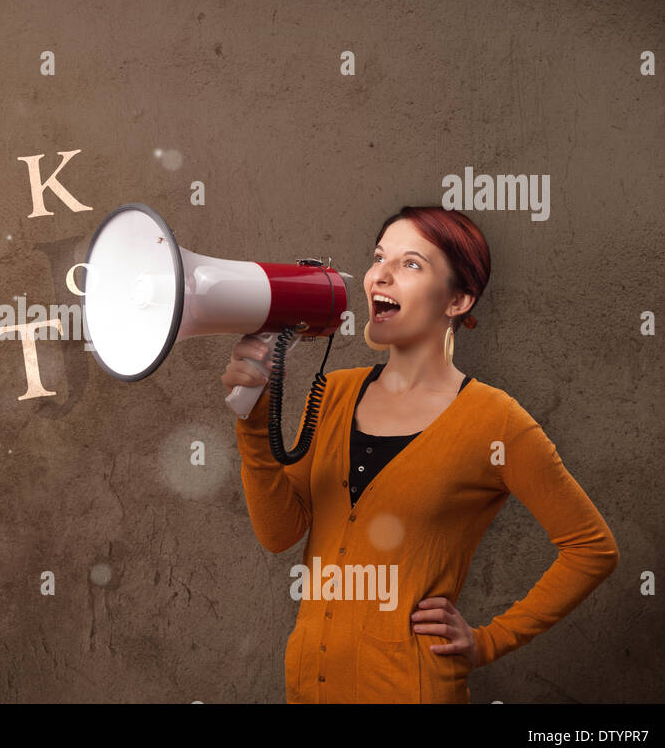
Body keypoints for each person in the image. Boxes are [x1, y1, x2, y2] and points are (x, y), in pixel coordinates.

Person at [222, 206, 619, 703]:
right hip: (309, 686)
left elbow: (592, 548)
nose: (379, 276)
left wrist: (488, 641)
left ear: (459, 299)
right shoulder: (336, 394)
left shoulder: (495, 421)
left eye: (411, 264)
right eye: (378, 257)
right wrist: (253, 421)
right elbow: (279, 533)